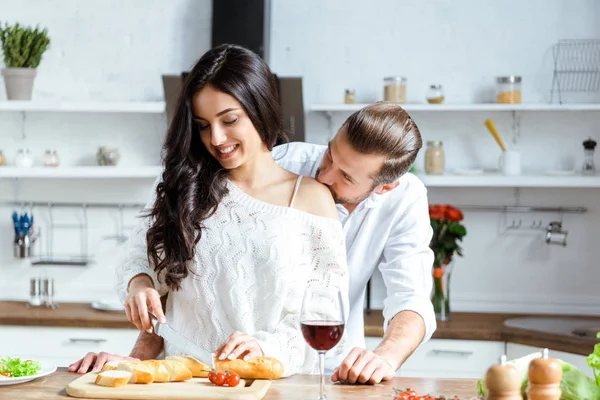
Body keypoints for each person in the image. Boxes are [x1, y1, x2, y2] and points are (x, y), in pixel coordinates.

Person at [71, 83, 435, 385]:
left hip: (331, 368)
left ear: (385, 187)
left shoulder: (405, 200)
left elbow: (412, 297)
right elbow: (184, 276)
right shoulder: (278, 164)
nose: (325, 176)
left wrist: (384, 358)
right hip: (217, 379)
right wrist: (138, 361)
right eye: (330, 156)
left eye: (347, 177)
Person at [69, 43, 349, 377]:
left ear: (259, 108)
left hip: (267, 389)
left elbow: (325, 312)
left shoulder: (310, 199)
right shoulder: (182, 186)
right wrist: (140, 285)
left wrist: (264, 348)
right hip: (179, 385)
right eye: (203, 125)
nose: (216, 138)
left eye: (229, 120)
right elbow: (138, 260)